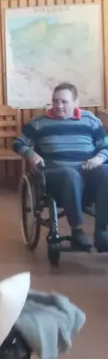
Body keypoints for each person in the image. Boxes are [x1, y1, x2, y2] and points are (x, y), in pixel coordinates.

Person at [13, 81, 108, 252]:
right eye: (55, 101)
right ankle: (77, 231)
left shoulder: (91, 120)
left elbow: (105, 146)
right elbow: (18, 143)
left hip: (88, 171)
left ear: (76, 103)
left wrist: (99, 158)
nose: (59, 105)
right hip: (56, 175)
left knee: (106, 171)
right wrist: (31, 154)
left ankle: (101, 232)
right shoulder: (39, 122)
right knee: (70, 174)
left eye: (64, 101)